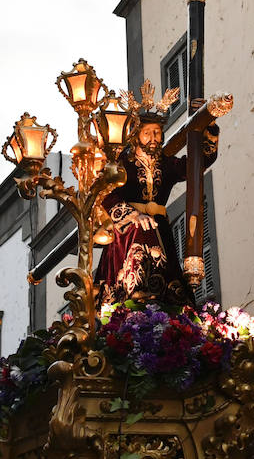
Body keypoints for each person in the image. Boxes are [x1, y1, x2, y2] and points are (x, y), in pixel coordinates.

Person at [93, 105, 219, 311]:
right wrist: (133, 215)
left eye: (157, 132)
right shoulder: (123, 164)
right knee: (135, 273)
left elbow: (199, 162)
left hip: (160, 229)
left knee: (168, 284)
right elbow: (105, 193)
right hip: (128, 231)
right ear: (136, 137)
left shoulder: (166, 164)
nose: (153, 137)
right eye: (147, 133)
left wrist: (209, 125)